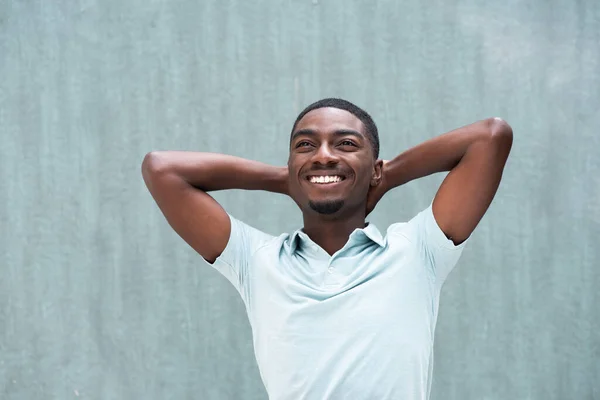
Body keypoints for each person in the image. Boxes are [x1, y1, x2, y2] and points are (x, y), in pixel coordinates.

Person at [141, 98, 513, 400]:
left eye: (346, 144)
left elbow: (490, 137)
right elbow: (163, 170)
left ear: (374, 167)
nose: (323, 155)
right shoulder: (256, 260)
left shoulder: (419, 251)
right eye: (305, 146)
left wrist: (384, 176)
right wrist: (289, 180)